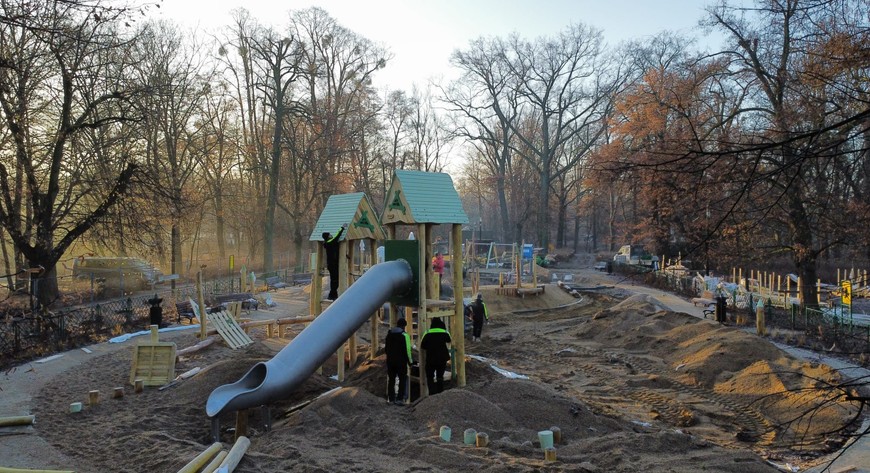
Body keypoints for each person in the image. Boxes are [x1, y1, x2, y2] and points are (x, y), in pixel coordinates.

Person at [384, 318, 412, 405]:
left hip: (390, 361)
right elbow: (407, 350)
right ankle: (400, 399)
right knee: (402, 379)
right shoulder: (405, 335)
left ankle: (391, 399)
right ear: (404, 326)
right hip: (401, 362)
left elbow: (386, 349)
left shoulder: (389, 334)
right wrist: (410, 362)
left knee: (391, 380)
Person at [420, 317, 451, 395]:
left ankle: (431, 394)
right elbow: (449, 339)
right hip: (442, 358)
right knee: (440, 376)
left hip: (431, 358)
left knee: (430, 376)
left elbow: (422, 346)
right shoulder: (444, 332)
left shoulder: (427, 332)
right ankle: (440, 393)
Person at [322, 223, 347, 300]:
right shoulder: (329, 242)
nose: (331, 235)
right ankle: (332, 295)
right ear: (327, 237)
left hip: (333, 263)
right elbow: (337, 236)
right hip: (332, 264)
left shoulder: (330, 243)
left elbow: (337, 250)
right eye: (329, 235)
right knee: (334, 280)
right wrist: (342, 228)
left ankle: (333, 294)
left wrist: (346, 255)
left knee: (335, 280)